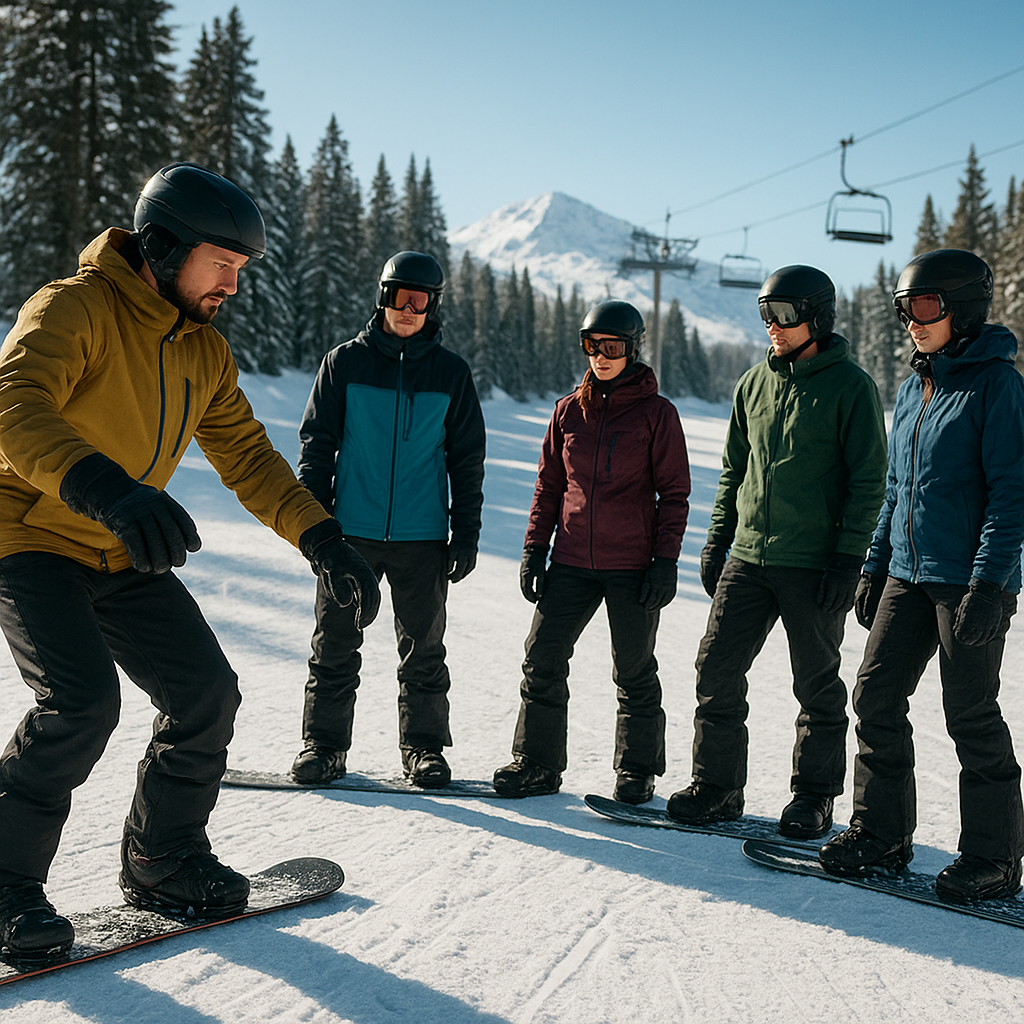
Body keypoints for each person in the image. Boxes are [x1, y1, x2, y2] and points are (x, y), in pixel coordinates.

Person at [0, 162, 380, 962]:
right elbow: (14, 405)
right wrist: (110, 489)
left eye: (241, 271)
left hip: (119, 546)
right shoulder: (75, 308)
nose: (233, 286)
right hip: (29, 537)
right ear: (163, 246)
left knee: (205, 693)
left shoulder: (201, 352)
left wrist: (323, 539)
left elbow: (248, 457)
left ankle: (162, 857)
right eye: (223, 265)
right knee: (80, 704)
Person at [820, 249, 1024, 901]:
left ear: (962, 308)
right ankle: (881, 833)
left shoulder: (997, 385)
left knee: (970, 714)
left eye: (926, 306)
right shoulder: (915, 386)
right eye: (903, 308)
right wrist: (875, 566)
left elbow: (1012, 495)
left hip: (966, 580)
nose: (912, 320)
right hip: (906, 575)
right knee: (875, 697)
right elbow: (895, 490)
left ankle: (994, 858)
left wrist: (991, 585)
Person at [667, 265, 887, 838]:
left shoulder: (852, 387)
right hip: (747, 556)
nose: (773, 326)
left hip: (813, 563)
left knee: (816, 684)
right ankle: (716, 787)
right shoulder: (752, 384)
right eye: (765, 314)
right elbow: (732, 471)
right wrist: (719, 538)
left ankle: (813, 797)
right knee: (716, 669)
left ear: (818, 315)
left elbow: (869, 482)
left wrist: (848, 559)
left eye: (784, 314)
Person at [290, 251, 485, 790]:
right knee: (335, 643)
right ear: (383, 298)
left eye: (420, 300)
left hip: (423, 537)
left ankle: (424, 751)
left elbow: (466, 460)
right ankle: (323, 747)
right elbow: (317, 446)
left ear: (433, 307)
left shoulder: (451, 374)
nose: (408, 309)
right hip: (349, 533)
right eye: (400, 297)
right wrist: (315, 525)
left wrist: (465, 533)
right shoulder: (344, 363)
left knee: (423, 650)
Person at [492, 300, 691, 803]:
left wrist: (665, 562)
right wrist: (535, 549)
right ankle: (536, 762)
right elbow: (548, 486)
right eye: (591, 346)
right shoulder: (567, 410)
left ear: (632, 348)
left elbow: (675, 493)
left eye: (612, 347)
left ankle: (637, 770)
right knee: (542, 658)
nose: (600, 357)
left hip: (632, 565)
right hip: (571, 561)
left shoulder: (657, 414)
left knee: (633, 669)